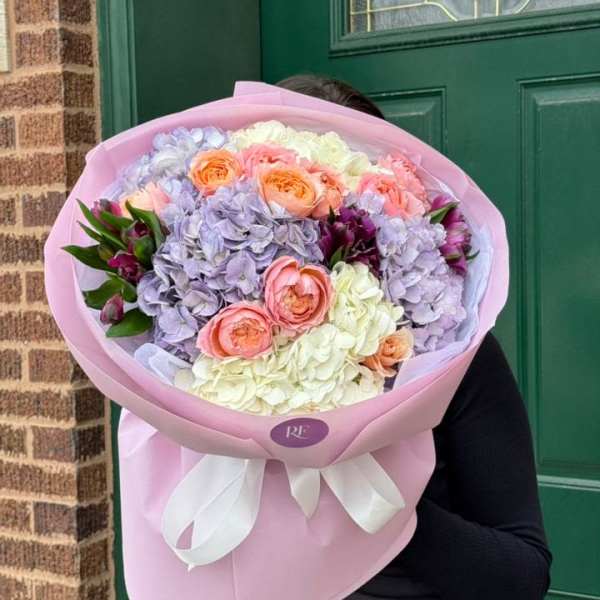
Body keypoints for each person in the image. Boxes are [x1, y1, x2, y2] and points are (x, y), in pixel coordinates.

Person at [277, 74, 552, 600]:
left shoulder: (454, 357)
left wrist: (376, 508)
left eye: (344, 204)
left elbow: (523, 574)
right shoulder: (204, 369)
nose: (319, 230)